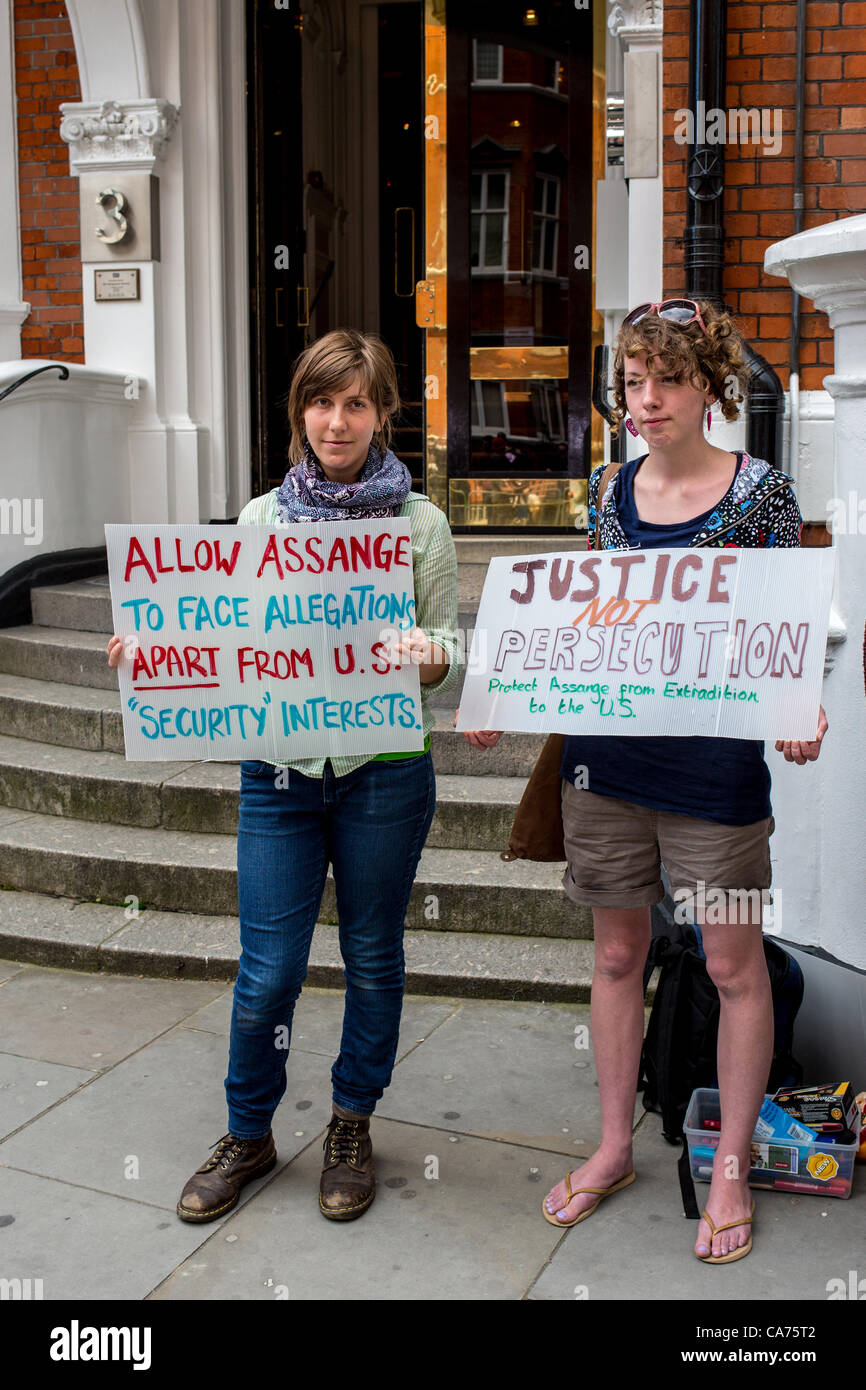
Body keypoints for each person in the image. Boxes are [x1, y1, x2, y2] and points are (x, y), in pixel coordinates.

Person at [463, 299, 828, 1263]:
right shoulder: (605, 492)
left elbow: (780, 635)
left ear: (711, 386)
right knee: (618, 957)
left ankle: (732, 1168)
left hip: (712, 775)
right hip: (607, 766)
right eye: (631, 381)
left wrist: (803, 707)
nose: (645, 399)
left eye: (666, 379)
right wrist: (509, 682)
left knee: (730, 966)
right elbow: (584, 621)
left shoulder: (763, 497)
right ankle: (616, 1144)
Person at [107, 329, 460, 1223]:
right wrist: (155, 652)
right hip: (281, 774)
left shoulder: (419, 526)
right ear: (298, 412)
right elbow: (224, 637)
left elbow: (448, 651)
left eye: (355, 402)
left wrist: (425, 653)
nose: (335, 420)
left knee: (373, 957)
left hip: (384, 772)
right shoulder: (262, 520)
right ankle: (248, 1133)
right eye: (320, 400)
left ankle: (351, 1123)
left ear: (383, 413)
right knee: (267, 973)